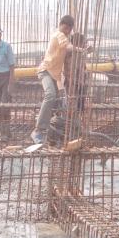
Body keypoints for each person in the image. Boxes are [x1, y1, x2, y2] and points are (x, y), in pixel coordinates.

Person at [31, 15, 88, 144]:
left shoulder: (66, 38)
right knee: (50, 95)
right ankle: (38, 130)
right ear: (61, 24)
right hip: (45, 71)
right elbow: (68, 47)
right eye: (66, 27)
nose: (67, 31)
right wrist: (82, 50)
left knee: (56, 102)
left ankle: (50, 133)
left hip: (54, 76)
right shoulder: (59, 35)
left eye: (69, 29)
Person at [64, 32, 87, 112]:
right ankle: (72, 121)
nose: (85, 44)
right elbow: (69, 71)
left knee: (79, 107)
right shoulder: (70, 53)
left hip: (80, 83)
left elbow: (82, 68)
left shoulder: (80, 54)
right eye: (83, 43)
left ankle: (76, 119)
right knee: (71, 105)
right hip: (72, 84)